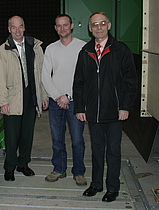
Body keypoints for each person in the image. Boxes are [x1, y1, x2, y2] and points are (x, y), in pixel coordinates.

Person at [73, 11, 138, 202]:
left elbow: (130, 82)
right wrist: (80, 108)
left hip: (115, 112)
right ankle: (96, 185)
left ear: (108, 25)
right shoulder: (85, 51)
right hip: (93, 112)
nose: (98, 27)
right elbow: (79, 82)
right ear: (90, 28)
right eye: (94, 24)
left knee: (113, 151)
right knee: (97, 150)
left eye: (102, 23)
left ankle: (113, 187)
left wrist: (125, 106)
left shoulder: (121, 50)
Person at [0, 15, 48, 181]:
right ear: (9, 29)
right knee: (12, 136)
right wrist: (3, 102)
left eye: (20, 27)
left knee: (27, 134)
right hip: (12, 99)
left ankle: (23, 164)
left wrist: (43, 95)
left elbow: (42, 74)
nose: (17, 31)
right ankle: (9, 167)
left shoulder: (36, 47)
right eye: (14, 27)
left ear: (24, 28)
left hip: (31, 97)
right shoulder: (3, 50)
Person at [42, 14, 87, 186]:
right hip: (56, 102)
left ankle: (79, 172)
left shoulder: (82, 47)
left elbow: (84, 77)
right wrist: (58, 96)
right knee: (57, 138)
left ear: (72, 26)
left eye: (65, 25)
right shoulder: (51, 49)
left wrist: (67, 96)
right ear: (55, 28)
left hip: (75, 102)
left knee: (77, 139)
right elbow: (45, 76)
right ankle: (59, 169)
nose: (62, 29)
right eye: (59, 26)